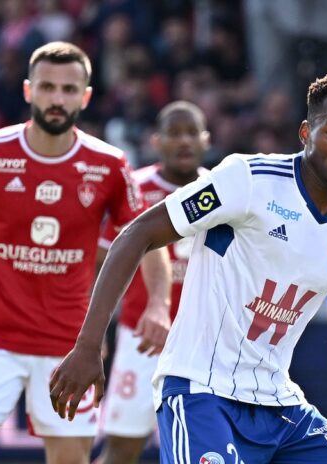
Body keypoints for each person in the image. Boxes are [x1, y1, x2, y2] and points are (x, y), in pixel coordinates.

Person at [50, 70, 327, 463]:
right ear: (305, 133)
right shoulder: (247, 180)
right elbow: (136, 234)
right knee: (121, 450)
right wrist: (88, 345)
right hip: (200, 391)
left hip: (280, 404)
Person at [0, 41, 170, 464]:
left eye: (69, 89)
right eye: (47, 87)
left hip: (70, 346)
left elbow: (147, 238)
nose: (57, 99)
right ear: (29, 90)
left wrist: (158, 303)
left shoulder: (109, 164)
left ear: (85, 97)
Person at [96, 100, 208, 464]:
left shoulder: (224, 189)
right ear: (156, 141)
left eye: (192, 132)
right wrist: (91, 331)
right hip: (142, 338)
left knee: (205, 451)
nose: (184, 141)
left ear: (206, 140)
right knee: (122, 449)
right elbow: (101, 261)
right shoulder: (136, 189)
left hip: (205, 342)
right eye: (174, 133)